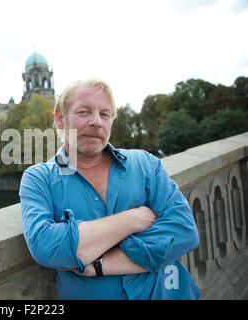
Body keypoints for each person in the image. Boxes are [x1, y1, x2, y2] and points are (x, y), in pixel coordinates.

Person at [19, 78, 200, 299]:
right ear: (60, 118)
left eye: (105, 114)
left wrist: (98, 264)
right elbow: (45, 247)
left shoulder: (145, 164)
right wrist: (132, 221)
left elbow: (185, 232)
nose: (96, 122)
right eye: (84, 112)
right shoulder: (38, 179)